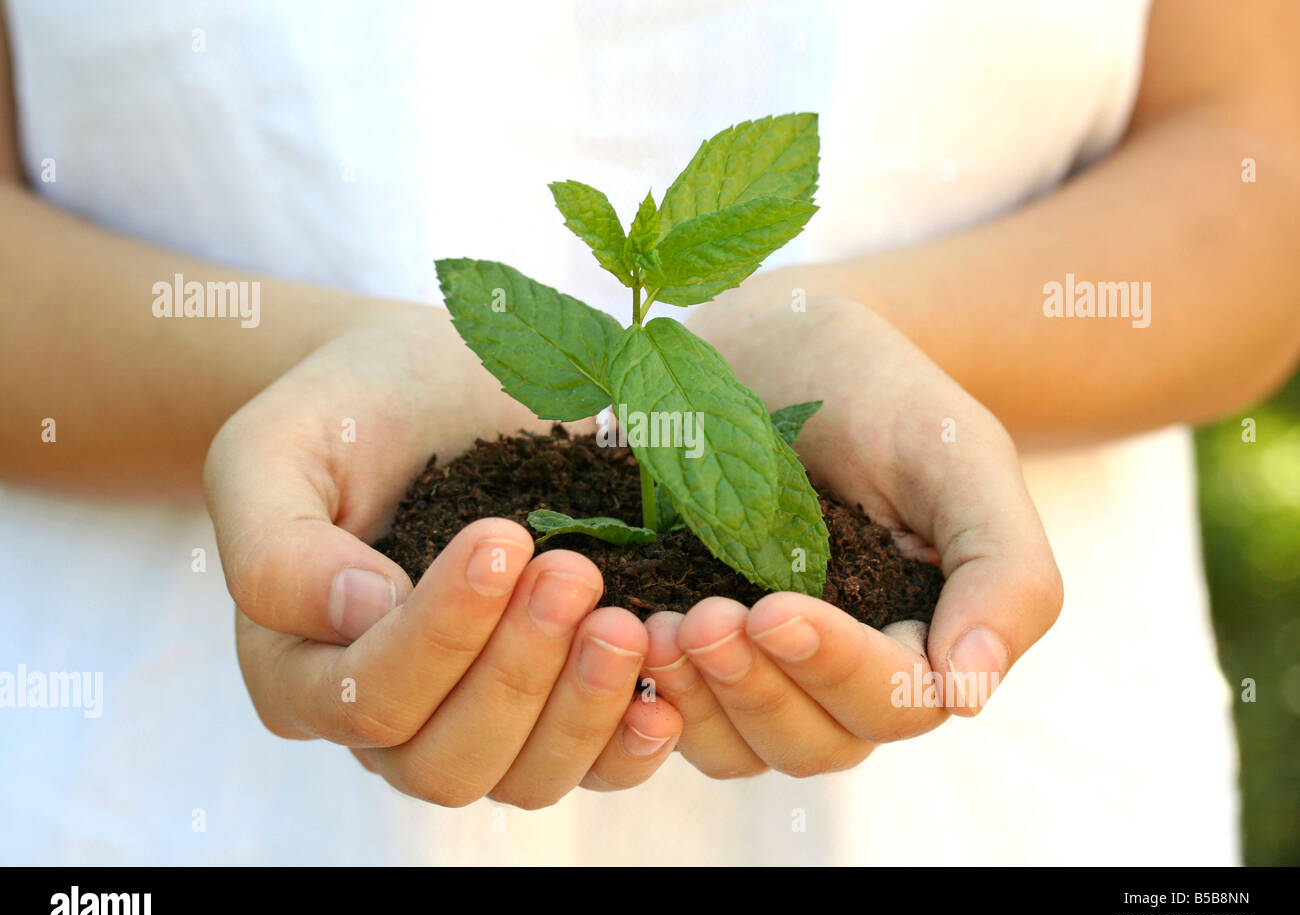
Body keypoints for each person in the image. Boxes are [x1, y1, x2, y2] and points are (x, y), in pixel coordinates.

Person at [3, 0, 1295, 864]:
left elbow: (1256, 171)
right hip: (158, 792)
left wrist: (778, 364)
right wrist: (324, 395)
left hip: (998, 809)